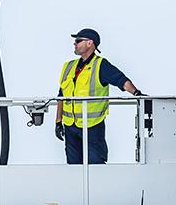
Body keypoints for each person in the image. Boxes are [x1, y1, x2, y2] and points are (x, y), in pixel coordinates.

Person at [55, 28, 143, 164]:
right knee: (73, 167)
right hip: (70, 126)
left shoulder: (100, 65)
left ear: (90, 43)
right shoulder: (69, 66)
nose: (75, 44)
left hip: (92, 126)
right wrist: (58, 121)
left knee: (96, 165)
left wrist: (137, 94)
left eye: (78, 41)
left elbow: (121, 80)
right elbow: (61, 95)